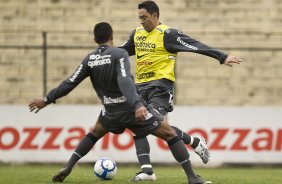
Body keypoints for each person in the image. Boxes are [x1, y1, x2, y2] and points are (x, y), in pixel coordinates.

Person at [28, 22, 212, 184]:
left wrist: (47, 99)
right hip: (131, 109)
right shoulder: (119, 54)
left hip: (109, 112)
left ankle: (68, 168)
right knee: (169, 134)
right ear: (112, 37)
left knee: (93, 134)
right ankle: (192, 177)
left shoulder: (90, 59)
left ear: (95, 39)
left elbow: (70, 82)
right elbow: (125, 80)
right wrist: (138, 105)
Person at [119, 0, 243, 181]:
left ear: (155, 15)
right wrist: (106, 55)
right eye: (139, 18)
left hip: (160, 88)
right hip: (140, 88)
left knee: (156, 124)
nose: (141, 21)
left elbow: (195, 45)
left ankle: (190, 157)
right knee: (141, 124)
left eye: (144, 17)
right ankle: (148, 169)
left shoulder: (168, 34)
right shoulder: (137, 34)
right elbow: (121, 52)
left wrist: (221, 56)